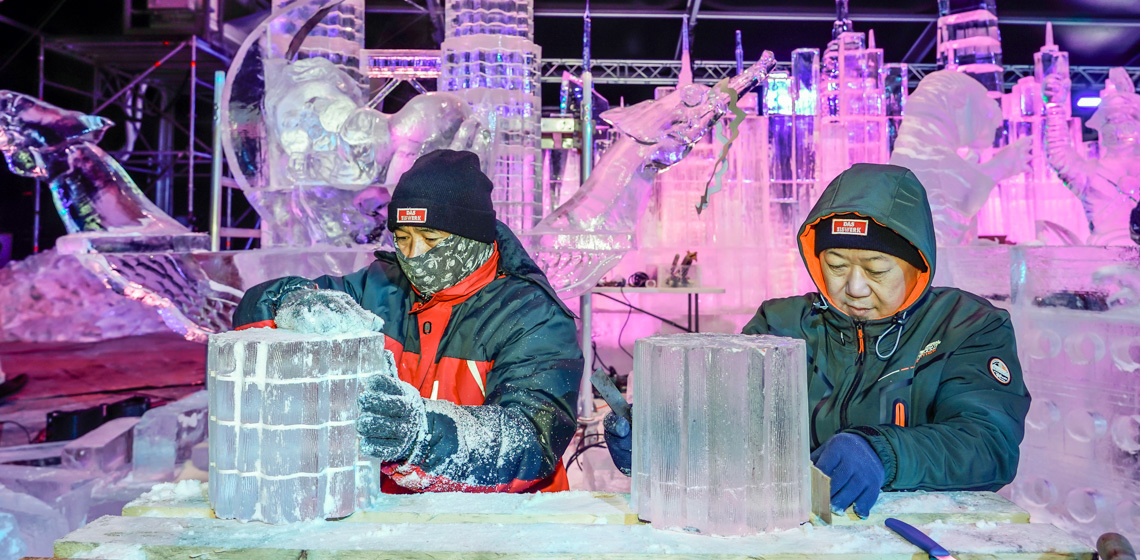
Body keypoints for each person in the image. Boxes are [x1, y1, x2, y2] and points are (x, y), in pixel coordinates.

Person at [604, 163, 1030, 517]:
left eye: (877, 269)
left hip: (921, 530)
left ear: (917, 264)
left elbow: (988, 444)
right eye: (837, 264)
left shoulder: (967, 326)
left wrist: (882, 452)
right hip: (797, 531)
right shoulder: (783, 322)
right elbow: (727, 422)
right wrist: (662, 442)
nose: (855, 287)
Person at [234, 149, 583, 493]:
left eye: (430, 240)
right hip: (389, 516)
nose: (414, 256)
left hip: (502, 526)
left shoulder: (534, 317)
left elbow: (530, 439)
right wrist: (294, 303)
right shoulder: (379, 286)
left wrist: (422, 436)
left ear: (473, 238)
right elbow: (263, 305)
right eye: (402, 239)